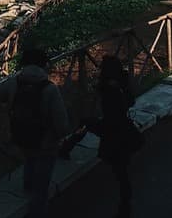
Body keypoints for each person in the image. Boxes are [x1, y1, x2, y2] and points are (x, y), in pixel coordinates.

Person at [0, 48, 70, 217]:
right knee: (41, 187)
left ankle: (27, 187)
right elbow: (62, 124)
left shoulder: (14, 83)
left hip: (21, 136)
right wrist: (57, 139)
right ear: (43, 64)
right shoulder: (50, 89)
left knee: (29, 160)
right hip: (45, 143)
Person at [60, 55, 142, 218]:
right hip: (123, 128)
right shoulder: (122, 83)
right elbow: (130, 102)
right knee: (122, 172)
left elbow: (108, 108)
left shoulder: (109, 88)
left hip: (112, 130)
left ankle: (66, 147)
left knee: (121, 172)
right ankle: (125, 206)